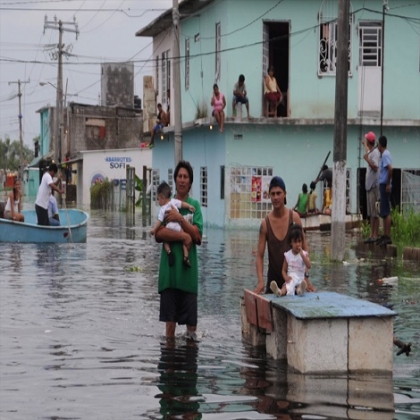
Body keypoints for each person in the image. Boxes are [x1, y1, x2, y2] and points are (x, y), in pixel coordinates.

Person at [154, 160, 203, 341]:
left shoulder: (194, 206)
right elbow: (159, 233)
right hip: (169, 276)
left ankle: (190, 368)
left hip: (188, 277)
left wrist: (180, 220)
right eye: (179, 176)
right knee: (169, 334)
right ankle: (169, 368)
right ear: (175, 180)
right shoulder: (166, 203)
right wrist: (183, 237)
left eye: (186, 177)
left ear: (190, 182)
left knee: (191, 334)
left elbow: (197, 237)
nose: (182, 180)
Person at [253, 176, 315, 295]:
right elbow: (259, 256)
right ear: (269, 196)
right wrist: (260, 282)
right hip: (274, 284)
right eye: (273, 194)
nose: (276, 197)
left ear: (285, 194)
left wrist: (306, 276)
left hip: (295, 281)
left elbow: (305, 249)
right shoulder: (265, 224)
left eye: (279, 193)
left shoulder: (294, 218)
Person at [150, 181, 196, 268]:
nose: (158, 201)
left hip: (169, 227)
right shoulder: (173, 201)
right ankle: (186, 256)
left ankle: (169, 252)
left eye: (158, 199)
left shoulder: (162, 209)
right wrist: (189, 206)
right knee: (184, 237)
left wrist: (154, 230)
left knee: (166, 240)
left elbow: (159, 221)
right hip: (178, 226)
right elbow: (182, 204)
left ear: (162, 198)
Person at [270, 224, 311, 296]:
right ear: (290, 243)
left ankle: (300, 291)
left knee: (300, 286)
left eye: (299, 241)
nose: (298, 244)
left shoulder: (304, 254)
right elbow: (283, 270)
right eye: (295, 242)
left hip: (300, 278)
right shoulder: (288, 255)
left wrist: (302, 256)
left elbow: (309, 265)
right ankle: (279, 292)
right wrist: (285, 277)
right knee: (285, 287)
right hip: (290, 278)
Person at [362, 131, 381, 244]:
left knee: (375, 213)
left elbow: (375, 167)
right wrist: (364, 145)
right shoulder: (371, 151)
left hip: (374, 186)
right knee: (371, 213)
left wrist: (366, 159)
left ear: (370, 142)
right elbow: (367, 151)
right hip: (369, 186)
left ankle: (375, 235)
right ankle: (371, 235)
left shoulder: (375, 153)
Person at [377, 135, 393, 246]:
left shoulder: (386, 154)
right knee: (383, 211)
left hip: (384, 185)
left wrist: (387, 184)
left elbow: (390, 168)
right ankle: (385, 235)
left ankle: (388, 235)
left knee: (386, 212)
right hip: (383, 184)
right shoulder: (384, 155)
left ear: (380, 144)